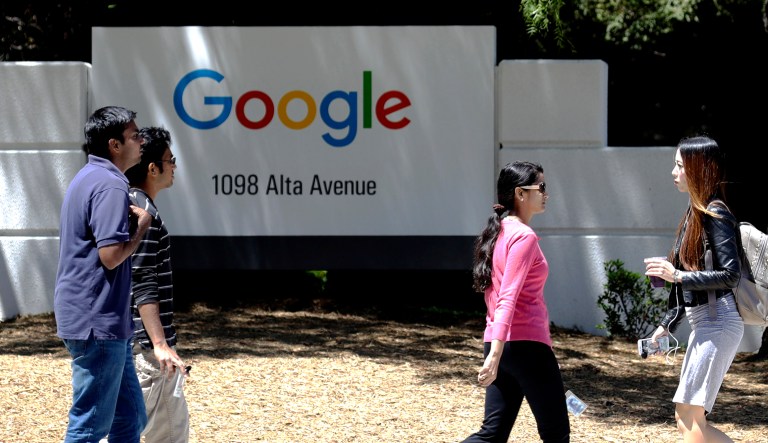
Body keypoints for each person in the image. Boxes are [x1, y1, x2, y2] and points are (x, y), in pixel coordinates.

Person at [54, 105, 151, 442]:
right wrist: (141, 228)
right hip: (97, 322)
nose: (142, 141)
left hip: (101, 320)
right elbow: (110, 257)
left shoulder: (88, 177)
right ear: (114, 144)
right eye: (135, 135)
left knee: (131, 416)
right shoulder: (110, 185)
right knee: (89, 426)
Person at [461, 161, 570, 443]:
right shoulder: (523, 236)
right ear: (520, 193)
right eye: (541, 187)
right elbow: (507, 297)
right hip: (523, 347)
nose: (547, 193)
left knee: (492, 435)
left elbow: (496, 297)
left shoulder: (499, 233)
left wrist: (495, 352)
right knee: (556, 434)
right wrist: (495, 356)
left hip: (503, 344)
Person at [644, 135, 744, 442]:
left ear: (698, 169)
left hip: (719, 322)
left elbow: (730, 274)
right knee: (685, 416)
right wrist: (666, 325)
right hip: (706, 323)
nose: (674, 173)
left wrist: (677, 276)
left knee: (691, 415)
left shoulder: (716, 213)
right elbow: (686, 278)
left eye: (679, 166)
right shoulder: (695, 213)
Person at [124, 126, 190, 443]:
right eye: (170, 159)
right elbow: (142, 279)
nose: (174, 165)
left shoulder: (133, 204)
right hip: (149, 349)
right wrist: (159, 344)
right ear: (153, 168)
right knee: (154, 433)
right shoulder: (144, 213)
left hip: (143, 345)